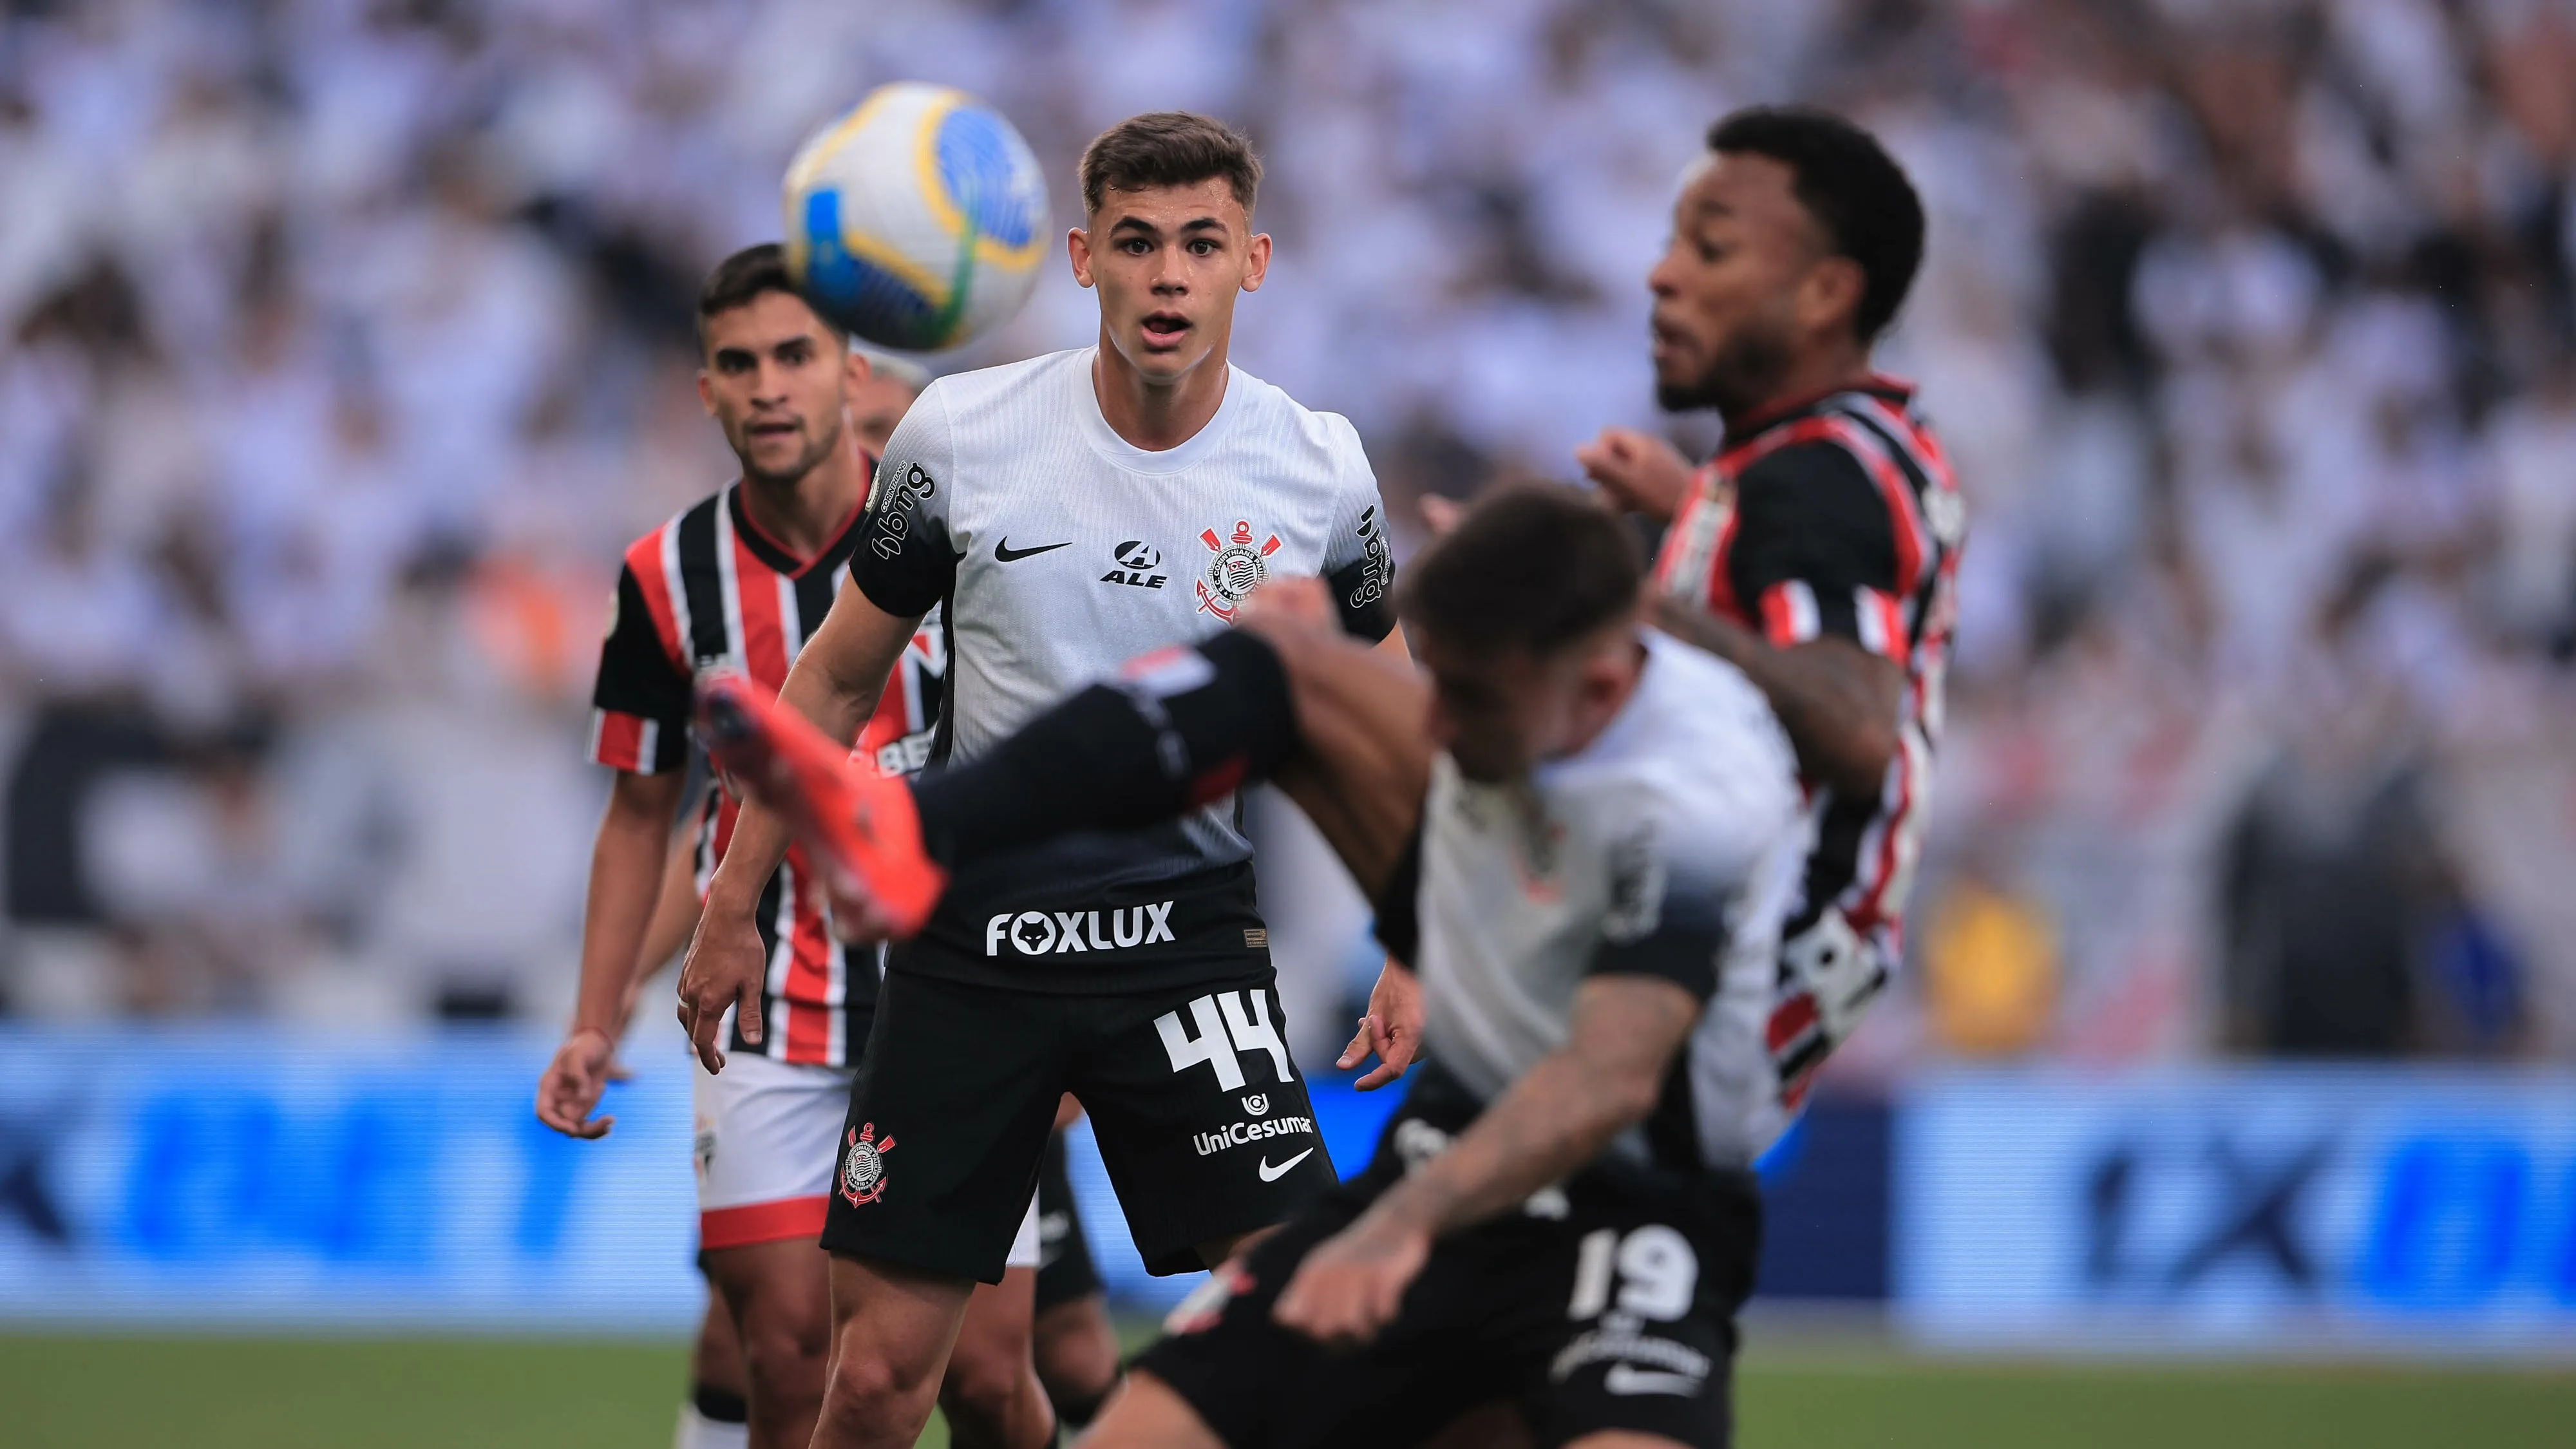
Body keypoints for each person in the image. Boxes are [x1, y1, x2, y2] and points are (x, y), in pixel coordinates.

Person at [698, 484, 1806, 1448]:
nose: (1439, 725)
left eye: (1470, 700)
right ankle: (917, 831)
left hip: (1635, 1208)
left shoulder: (1695, 801)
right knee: (1279, 657)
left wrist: (1396, 1225)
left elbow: (1608, 1078)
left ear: (1598, 693)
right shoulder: (1537, 679)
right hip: (1460, 1135)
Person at [674, 111, 1417, 1449]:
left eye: (1201, 243)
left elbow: (1392, 717)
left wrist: (1414, 944)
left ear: (1254, 262)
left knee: (1312, 1333)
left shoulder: (1319, 469)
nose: (1167, 275)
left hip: (1185, 951)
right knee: (875, 1384)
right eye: (1136, 243)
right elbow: (832, 684)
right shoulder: (961, 435)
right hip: (974, 956)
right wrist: (734, 905)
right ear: (1081, 259)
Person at [532, 243, 1043, 1449]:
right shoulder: (664, 577)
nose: (768, 386)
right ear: (705, 391)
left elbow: (1038, 775)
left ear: (850, 372)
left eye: (794, 356)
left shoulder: (967, 539)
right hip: (764, 1004)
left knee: (984, 1377)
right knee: (785, 1343)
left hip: (962, 990)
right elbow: (643, 814)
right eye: (739, 363)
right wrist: (597, 1017)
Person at [1577, 105, 1962, 1115]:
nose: (1663, 276)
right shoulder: (1830, 452)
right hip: (1746, 974)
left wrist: (1605, 598)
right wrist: (1693, 504)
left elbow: (1856, 723)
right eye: (1672, 243)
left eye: (1710, 250)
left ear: (1825, 293)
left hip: (1723, 981)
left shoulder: (1818, 471)